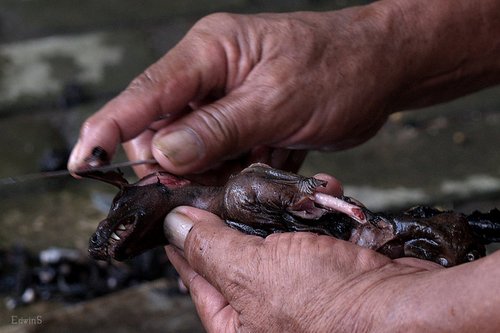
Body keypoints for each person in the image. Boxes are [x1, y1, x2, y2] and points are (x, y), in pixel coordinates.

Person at [69, 0, 500, 331]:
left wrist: (386, 314)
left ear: (166, 178)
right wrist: (375, 43)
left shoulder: (240, 189)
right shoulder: (232, 194)